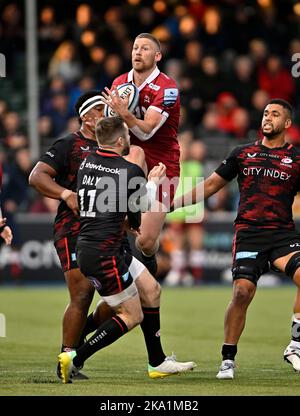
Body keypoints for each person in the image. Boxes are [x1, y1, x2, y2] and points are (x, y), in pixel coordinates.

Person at [29, 91, 195, 380]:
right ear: (86, 117)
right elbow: (36, 176)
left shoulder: (97, 154)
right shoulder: (71, 145)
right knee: (86, 297)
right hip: (78, 231)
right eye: (101, 110)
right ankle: (69, 357)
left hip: (109, 235)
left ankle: (154, 361)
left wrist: (128, 215)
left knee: (148, 291)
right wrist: (66, 193)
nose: (107, 114)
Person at [172, 98, 300, 379]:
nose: (268, 118)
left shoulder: (297, 159)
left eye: (275, 114)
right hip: (249, 234)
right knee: (242, 292)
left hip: (282, 235)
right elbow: (210, 185)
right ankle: (228, 359)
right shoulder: (242, 153)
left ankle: (295, 345)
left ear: (287, 123)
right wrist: (174, 203)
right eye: (266, 113)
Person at [102, 33, 181, 276]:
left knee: (145, 241)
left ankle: (149, 255)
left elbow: (147, 132)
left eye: (145, 48)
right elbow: (112, 128)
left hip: (164, 163)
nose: (137, 52)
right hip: (130, 155)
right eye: (135, 47)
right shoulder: (119, 83)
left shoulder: (168, 88)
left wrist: (124, 114)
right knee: (135, 151)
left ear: (157, 56)